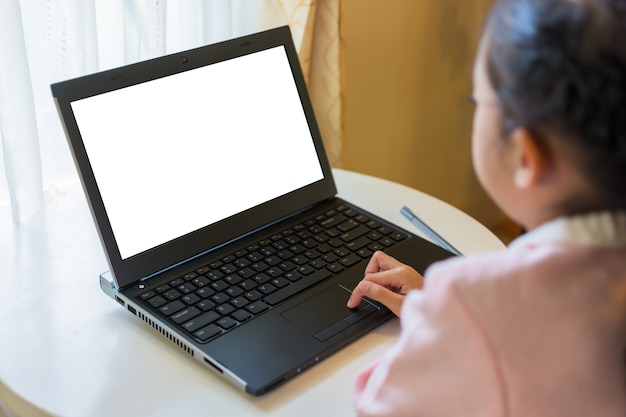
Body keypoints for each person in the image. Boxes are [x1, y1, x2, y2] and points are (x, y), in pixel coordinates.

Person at [346, 0, 626, 415]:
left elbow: (379, 405)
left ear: (525, 155)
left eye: (480, 101)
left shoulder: (471, 301)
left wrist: (443, 326)